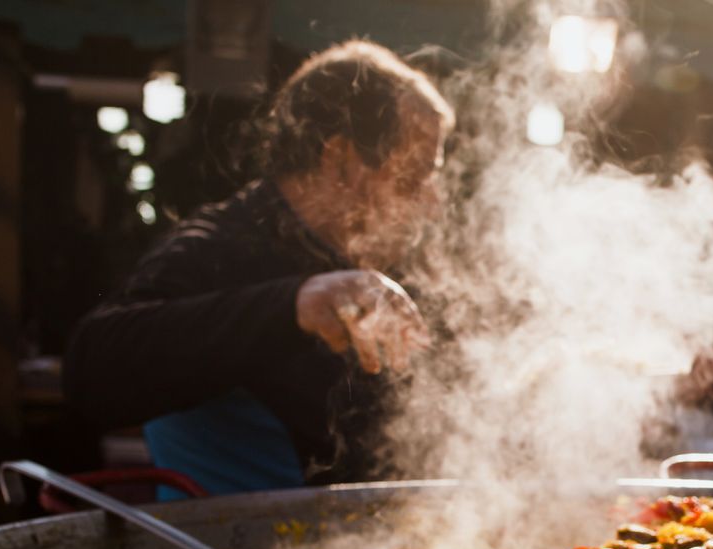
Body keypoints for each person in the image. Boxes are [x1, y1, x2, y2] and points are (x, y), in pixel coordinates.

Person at [65, 40, 454, 495]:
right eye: (415, 176)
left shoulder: (360, 266)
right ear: (342, 161)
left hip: (356, 548)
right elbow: (92, 370)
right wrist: (295, 306)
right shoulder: (219, 247)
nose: (432, 203)